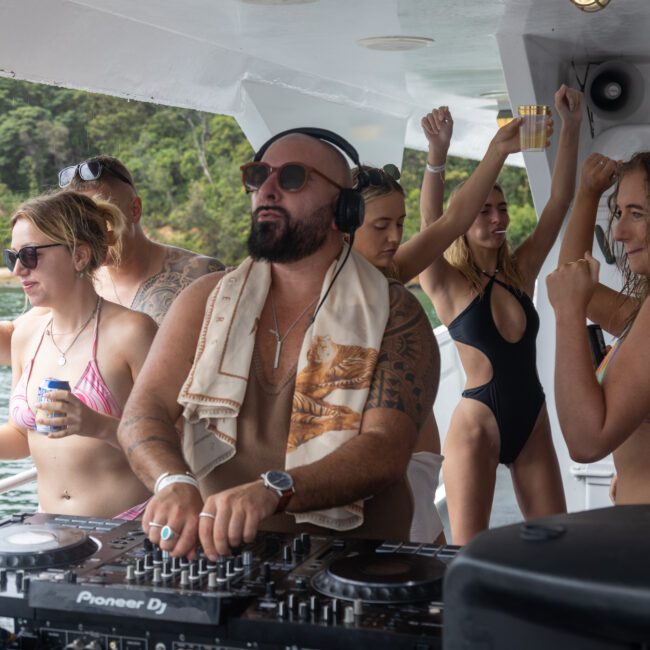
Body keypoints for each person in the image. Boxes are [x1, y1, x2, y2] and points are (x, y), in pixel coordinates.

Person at [117, 128, 438, 558]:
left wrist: (274, 490)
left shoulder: (396, 314)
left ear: (343, 207)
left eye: (290, 178)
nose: (266, 190)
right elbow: (144, 412)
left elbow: (384, 451)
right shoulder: (205, 301)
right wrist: (173, 481)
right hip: (221, 557)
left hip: (355, 566)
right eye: (257, 176)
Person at [349, 112, 530, 542]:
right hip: (378, 464)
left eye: (399, 224)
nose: (395, 236)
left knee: (438, 575)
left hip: (419, 461)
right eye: (381, 226)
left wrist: (495, 153)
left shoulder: (391, 271)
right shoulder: (322, 290)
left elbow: (449, 223)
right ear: (343, 223)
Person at [419, 85, 583, 544]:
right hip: (478, 424)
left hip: (531, 418)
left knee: (556, 543)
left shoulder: (521, 272)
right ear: (465, 221)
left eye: (502, 208)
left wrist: (569, 128)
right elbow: (431, 225)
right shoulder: (448, 284)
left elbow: (559, 203)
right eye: (483, 211)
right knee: (470, 552)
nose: (497, 218)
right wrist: (437, 157)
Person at [2, 191, 157, 517]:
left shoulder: (133, 332)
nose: (17, 270)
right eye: (11, 256)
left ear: (79, 256)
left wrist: (96, 424)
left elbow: (174, 439)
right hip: (50, 533)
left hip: (129, 530)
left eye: (29, 255)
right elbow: (22, 435)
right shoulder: (26, 337)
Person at [0, 155, 224, 365]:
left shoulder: (201, 274)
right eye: (78, 223)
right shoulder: (78, 281)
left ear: (134, 210)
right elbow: (15, 338)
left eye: (98, 217)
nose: (86, 234)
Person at [548, 151, 650, 503]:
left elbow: (586, 441)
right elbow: (574, 279)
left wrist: (567, 316)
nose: (619, 232)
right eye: (619, 213)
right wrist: (588, 194)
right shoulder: (641, 312)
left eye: (637, 214)